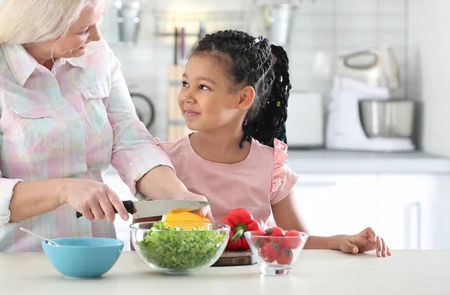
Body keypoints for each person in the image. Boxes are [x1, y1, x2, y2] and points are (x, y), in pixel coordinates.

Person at [0, 0, 207, 253]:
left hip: (92, 257)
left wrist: (181, 198)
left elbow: (130, 140)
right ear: (43, 26)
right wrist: (65, 189)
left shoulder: (96, 58)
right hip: (1, 262)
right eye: (84, 30)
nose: (98, 39)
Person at [158, 30, 391, 257]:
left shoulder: (270, 166)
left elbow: (296, 240)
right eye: (185, 83)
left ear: (243, 98)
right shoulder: (162, 163)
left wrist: (339, 241)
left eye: (203, 87)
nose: (186, 96)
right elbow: (143, 241)